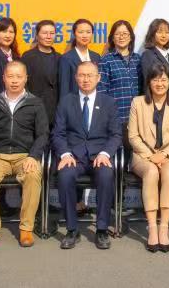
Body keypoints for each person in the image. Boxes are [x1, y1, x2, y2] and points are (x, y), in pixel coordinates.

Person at [0, 61, 49, 247]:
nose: (14, 81)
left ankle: (26, 228)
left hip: (25, 156)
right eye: (10, 76)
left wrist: (33, 156)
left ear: (26, 79)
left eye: (19, 76)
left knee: (33, 175)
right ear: (4, 78)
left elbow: (43, 134)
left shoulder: (35, 103)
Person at [52, 61, 122, 250]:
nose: (85, 79)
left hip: (100, 155)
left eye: (90, 75)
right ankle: (72, 229)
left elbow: (116, 134)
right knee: (65, 176)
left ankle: (102, 229)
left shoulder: (109, 103)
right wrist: (65, 154)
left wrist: (106, 153)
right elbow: (58, 134)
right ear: (76, 78)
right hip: (74, 157)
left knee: (106, 175)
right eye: (82, 75)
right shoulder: (66, 101)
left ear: (98, 78)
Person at [128, 63, 169, 252]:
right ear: (149, 82)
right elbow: (133, 136)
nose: (159, 83)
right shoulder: (138, 102)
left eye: (163, 80)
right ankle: (152, 227)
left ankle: (164, 227)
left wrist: (164, 154)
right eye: (155, 79)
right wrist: (151, 156)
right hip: (143, 155)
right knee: (152, 172)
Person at [97, 19, 141, 138]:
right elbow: (101, 92)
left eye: (125, 33)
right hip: (116, 118)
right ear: (112, 38)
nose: (121, 37)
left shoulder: (138, 59)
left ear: (131, 37)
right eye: (117, 34)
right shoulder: (106, 60)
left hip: (138, 118)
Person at [21, 20, 61, 124]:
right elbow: (23, 84)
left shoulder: (60, 58)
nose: (48, 36)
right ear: (37, 35)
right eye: (44, 33)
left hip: (56, 112)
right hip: (34, 110)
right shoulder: (28, 57)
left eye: (52, 33)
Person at [59, 18, 101, 97]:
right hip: (74, 101)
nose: (85, 36)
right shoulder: (66, 58)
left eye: (88, 32)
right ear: (74, 34)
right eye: (81, 32)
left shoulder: (96, 57)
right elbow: (64, 88)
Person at [139, 18, 169, 88]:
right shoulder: (148, 55)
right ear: (152, 34)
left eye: (167, 32)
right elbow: (148, 83)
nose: (164, 36)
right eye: (160, 32)